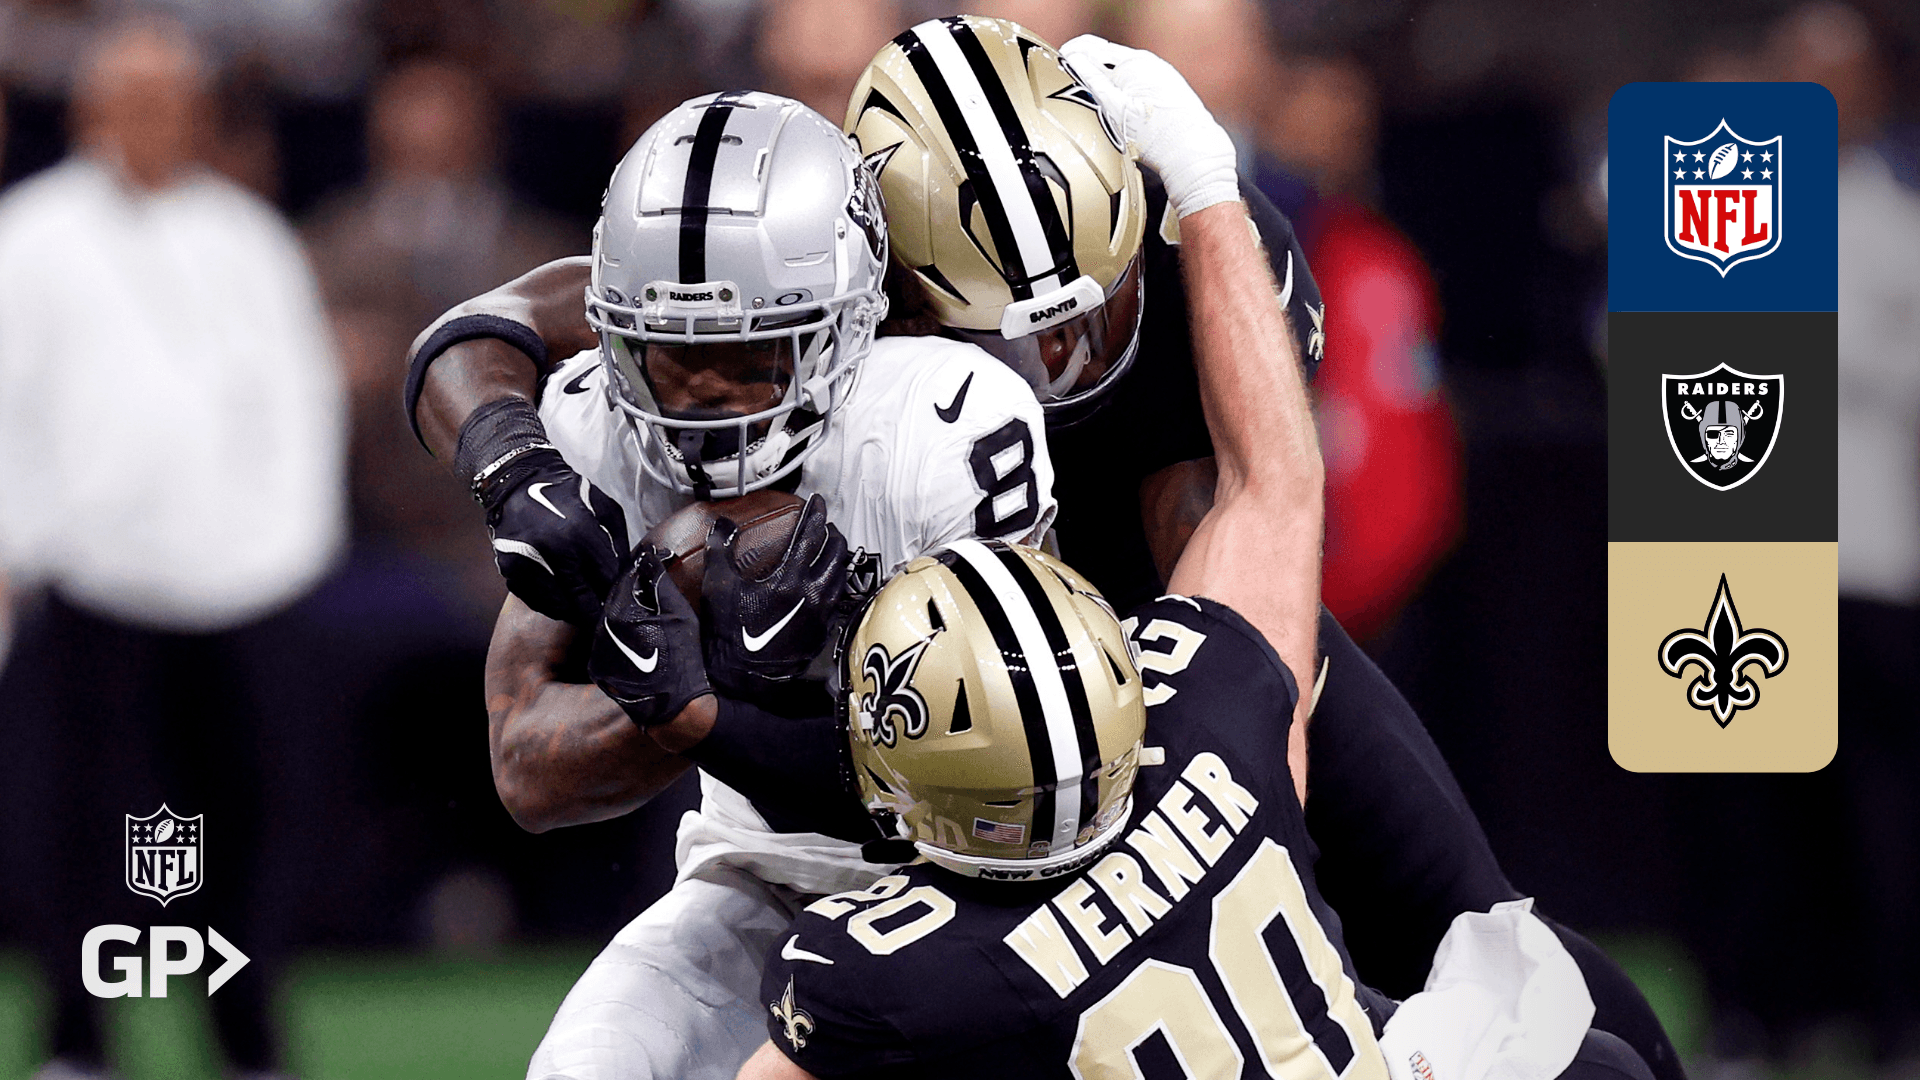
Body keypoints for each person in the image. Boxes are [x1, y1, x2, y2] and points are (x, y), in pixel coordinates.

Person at [406, 19, 1679, 1079]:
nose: (1052, 360)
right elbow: (542, 320)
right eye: (1004, 328)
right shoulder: (769, 323)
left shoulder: (1120, 311)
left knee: (1506, 964)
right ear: (879, 272)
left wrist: (707, 707)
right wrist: (509, 453)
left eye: (1087, 309)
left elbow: (1246, 535)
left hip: (1150, 698)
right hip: (962, 782)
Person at [725, 180, 1636, 1080]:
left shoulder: (896, 969)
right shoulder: (1211, 711)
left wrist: (708, 714)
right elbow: (1273, 485)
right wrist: (1201, 176)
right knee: (1598, 1055)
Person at [409, 90, 1059, 1080]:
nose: (706, 396)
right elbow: (527, 770)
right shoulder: (598, 425)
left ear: (848, 321)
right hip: (763, 879)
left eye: (750, 351)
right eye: (672, 355)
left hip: (988, 890)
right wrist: (512, 460)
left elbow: (1008, 782)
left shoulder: (941, 421)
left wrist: (715, 707)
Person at [0, 15, 344, 1078]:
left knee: (251, 825)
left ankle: (246, 1040)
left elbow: (301, 398)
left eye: (174, 104)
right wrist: (26, 544)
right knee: (88, 832)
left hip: (248, 582)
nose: (156, 123)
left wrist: (292, 545)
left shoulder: (247, 237)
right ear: (92, 112)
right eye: (135, 102)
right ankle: (79, 1042)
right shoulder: (33, 236)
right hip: (94, 585)